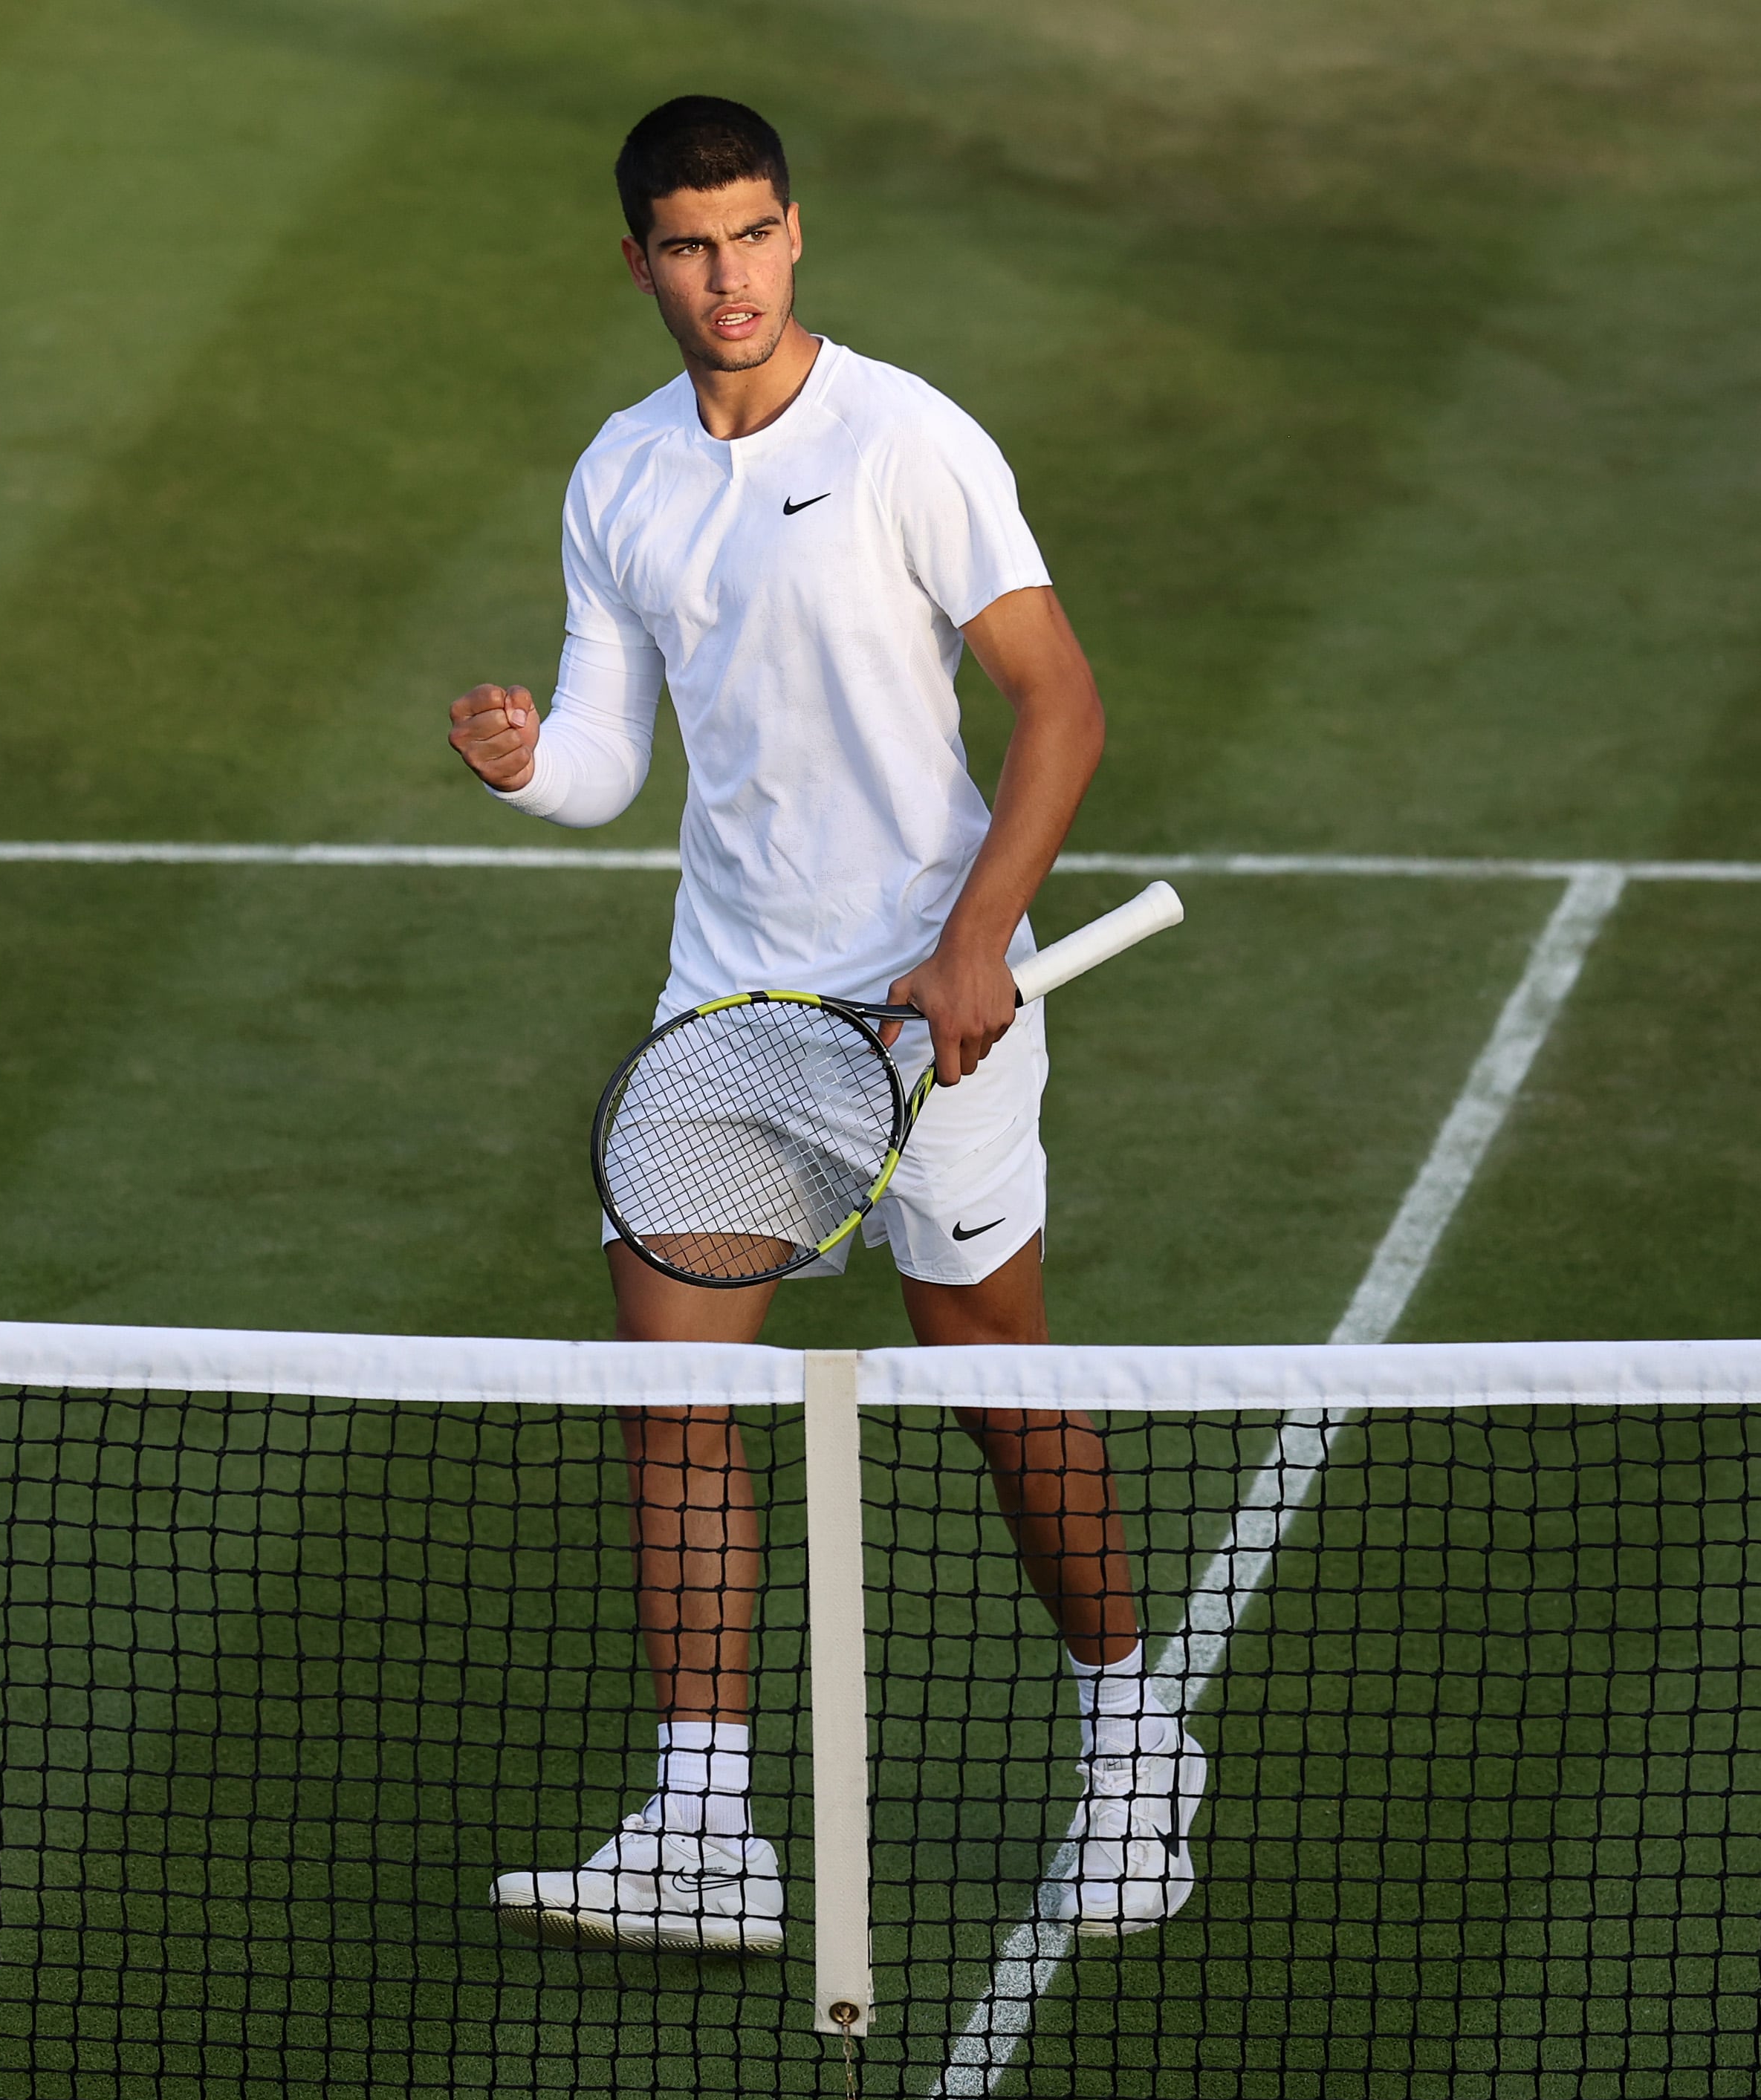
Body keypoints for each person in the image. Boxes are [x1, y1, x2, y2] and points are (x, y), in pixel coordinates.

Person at [445, 95, 1203, 1954]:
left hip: (935, 1004)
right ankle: (707, 1824)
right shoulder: (617, 476)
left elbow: (1062, 705)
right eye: (692, 248)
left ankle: (1134, 1739)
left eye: (757, 236)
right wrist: (535, 769)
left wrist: (972, 943)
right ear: (640, 262)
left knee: (993, 1395)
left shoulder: (908, 442)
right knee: (675, 1408)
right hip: (735, 1011)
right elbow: (619, 751)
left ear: (799, 234)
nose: (731, 278)